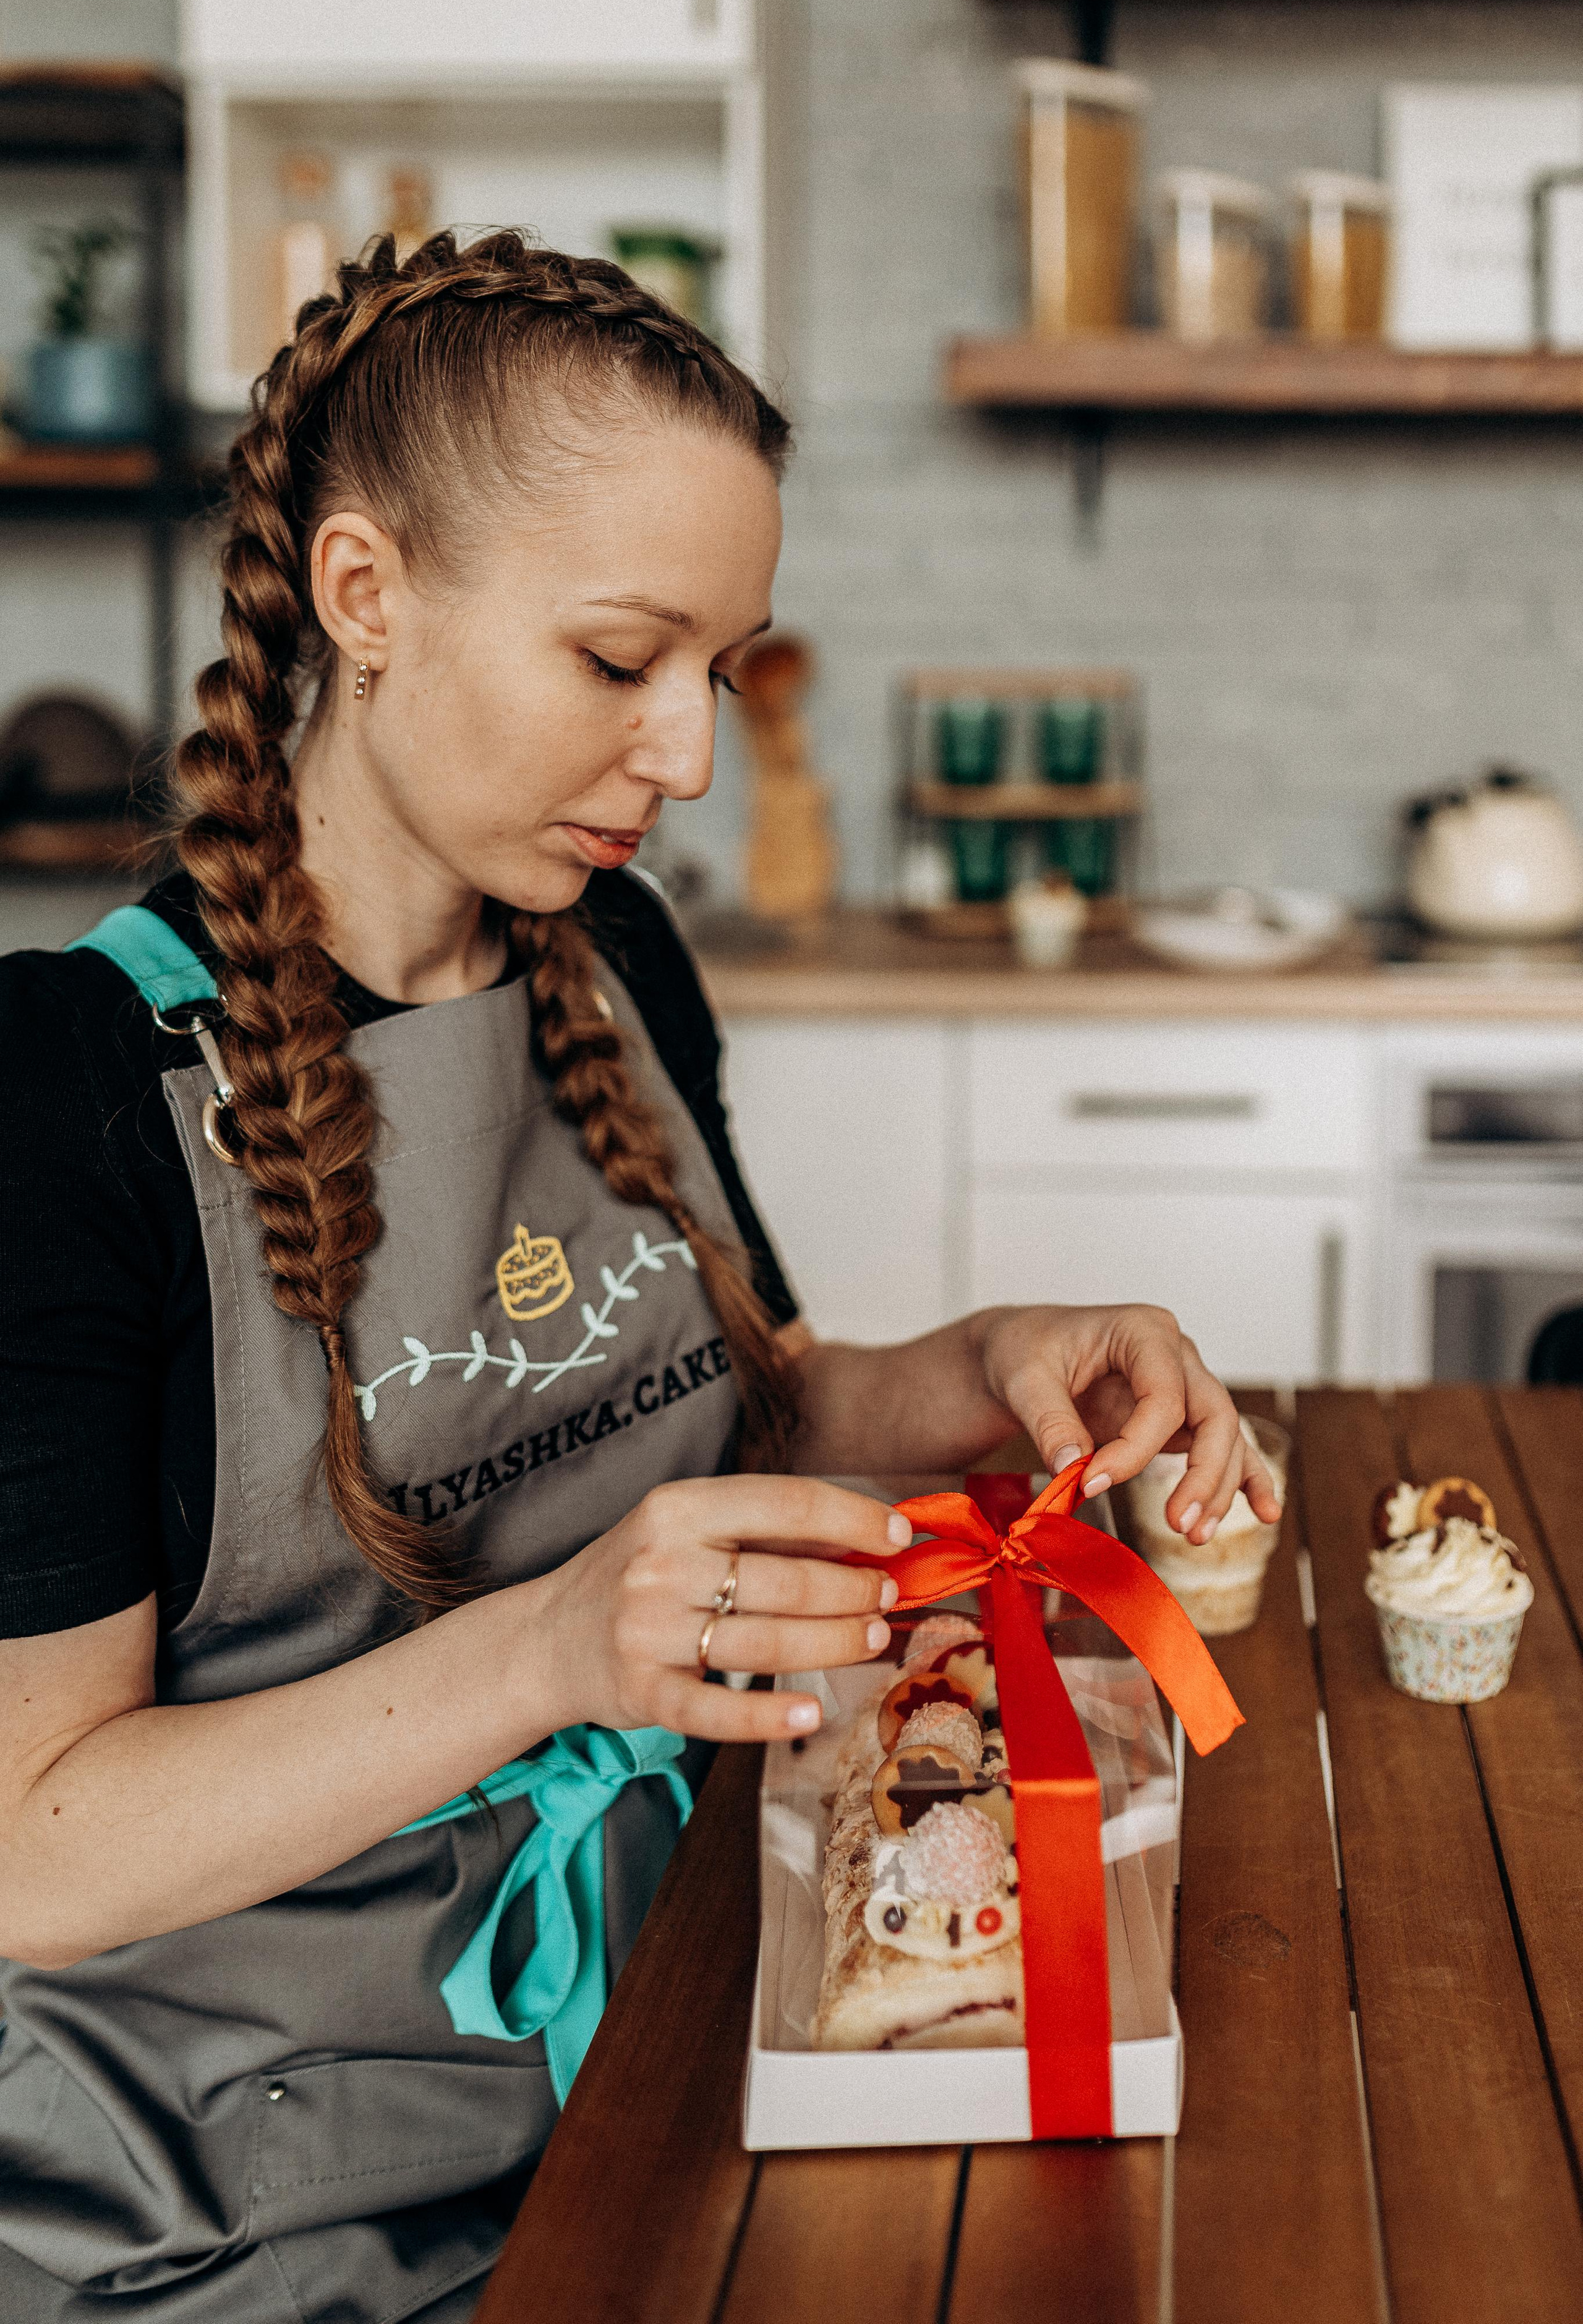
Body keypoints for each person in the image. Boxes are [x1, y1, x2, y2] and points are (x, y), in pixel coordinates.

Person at [0, 229, 1278, 2322]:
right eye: (620, 664)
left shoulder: (613, 963)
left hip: (692, 2013)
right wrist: (552, 1649)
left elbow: (745, 1404)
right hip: (255, 2190)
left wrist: (996, 1361)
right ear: (364, 594)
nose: (685, 759)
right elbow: (39, 1844)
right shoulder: (67, 1096)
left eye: (725, 669)